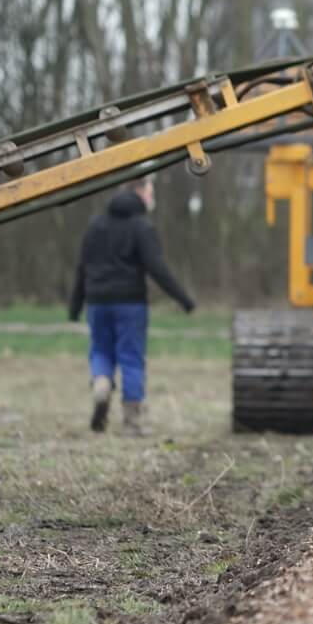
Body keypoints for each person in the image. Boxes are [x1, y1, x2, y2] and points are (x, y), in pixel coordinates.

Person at [68, 178, 195, 435]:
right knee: (131, 358)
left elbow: (82, 267)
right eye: (150, 191)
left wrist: (75, 305)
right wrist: (183, 298)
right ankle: (132, 422)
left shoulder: (95, 224)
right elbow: (156, 267)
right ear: (138, 192)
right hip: (130, 303)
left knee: (101, 351)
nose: (152, 197)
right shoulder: (141, 226)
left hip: (97, 302)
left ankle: (102, 385)